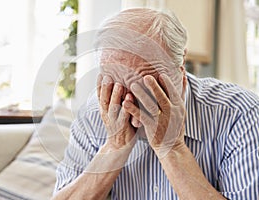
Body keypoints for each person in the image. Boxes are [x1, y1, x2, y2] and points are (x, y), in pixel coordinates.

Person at [52, 8, 259, 199]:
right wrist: (115, 146)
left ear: (181, 67)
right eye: (116, 85)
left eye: (146, 87)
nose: (129, 104)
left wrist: (172, 148)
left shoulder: (240, 113)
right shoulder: (94, 112)